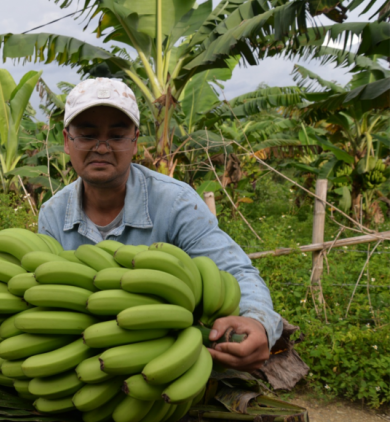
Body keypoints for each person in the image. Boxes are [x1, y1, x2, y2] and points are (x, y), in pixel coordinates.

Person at [38, 78, 282, 372]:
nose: (101, 148)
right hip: (84, 363)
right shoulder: (52, 214)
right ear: (67, 141)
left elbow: (234, 271)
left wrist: (257, 320)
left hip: (169, 362)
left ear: (135, 141)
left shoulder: (176, 203)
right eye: (87, 136)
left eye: (116, 136)